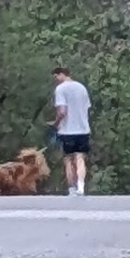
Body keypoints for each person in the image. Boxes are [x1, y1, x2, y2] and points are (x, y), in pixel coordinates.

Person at [48, 67, 90, 196]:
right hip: (83, 129)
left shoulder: (61, 89)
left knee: (67, 160)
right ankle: (81, 186)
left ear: (62, 74)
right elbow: (87, 108)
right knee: (80, 158)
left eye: (56, 76)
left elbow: (62, 111)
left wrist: (55, 124)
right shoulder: (82, 88)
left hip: (67, 131)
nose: (55, 80)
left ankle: (72, 188)